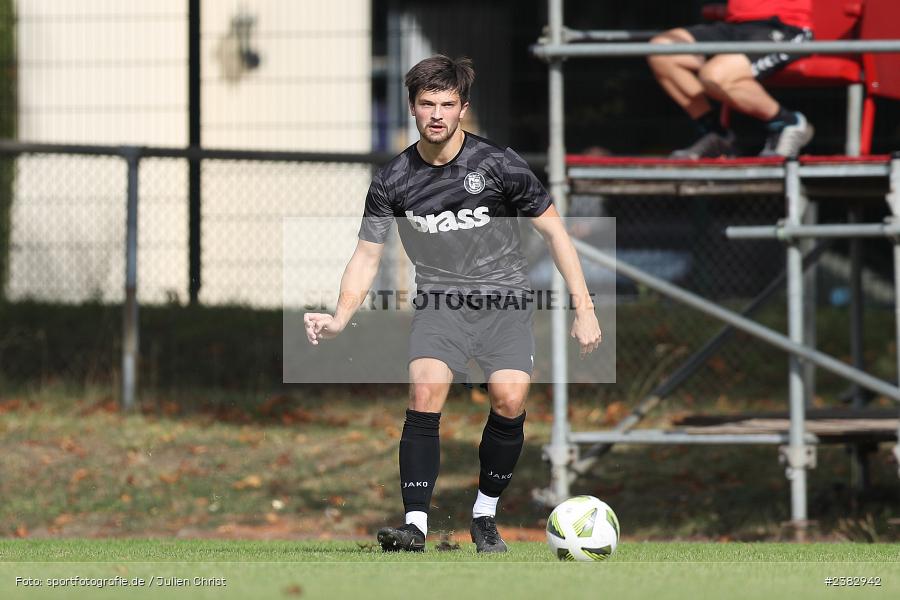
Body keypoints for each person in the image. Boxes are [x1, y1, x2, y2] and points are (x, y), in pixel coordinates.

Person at [303, 55, 601, 553]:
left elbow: (557, 235)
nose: (436, 114)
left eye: (447, 104)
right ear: (413, 109)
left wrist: (584, 307)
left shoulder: (499, 165)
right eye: (426, 104)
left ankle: (484, 515)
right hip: (440, 301)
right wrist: (340, 317)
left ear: (463, 108)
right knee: (425, 391)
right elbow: (366, 256)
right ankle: (414, 525)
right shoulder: (392, 180)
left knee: (508, 400)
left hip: (504, 301)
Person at [647, 0, 815, 158]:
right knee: (662, 50)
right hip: (736, 25)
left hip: (784, 27)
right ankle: (717, 135)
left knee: (714, 76)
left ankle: (788, 122)